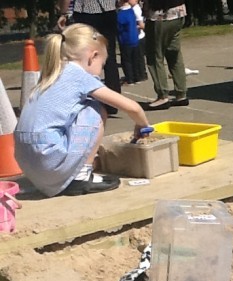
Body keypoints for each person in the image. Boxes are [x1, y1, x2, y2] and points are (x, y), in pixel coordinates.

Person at [14, 24, 151, 197]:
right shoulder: (79, 76)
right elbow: (132, 107)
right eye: (102, 65)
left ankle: (72, 173)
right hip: (48, 160)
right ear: (93, 56)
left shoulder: (51, 73)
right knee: (96, 109)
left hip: (28, 164)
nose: (100, 72)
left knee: (80, 107)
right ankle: (80, 176)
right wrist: (142, 125)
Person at [57, 0, 121, 115]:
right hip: (108, 11)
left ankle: (86, 98)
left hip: (86, 12)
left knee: (85, 55)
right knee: (110, 57)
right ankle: (113, 102)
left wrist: (63, 13)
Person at [144, 0, 190, 110]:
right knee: (174, 52)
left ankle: (162, 95)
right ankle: (181, 93)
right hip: (179, 12)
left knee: (155, 55)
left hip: (160, 14)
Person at [117, 0, 140, 85]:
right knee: (135, 59)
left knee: (127, 61)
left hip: (126, 40)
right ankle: (137, 77)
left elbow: (119, 28)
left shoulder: (121, 14)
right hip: (134, 38)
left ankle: (130, 79)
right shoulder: (132, 11)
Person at [132, 0, 148, 83]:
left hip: (140, 36)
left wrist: (133, 27)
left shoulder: (136, 9)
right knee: (135, 57)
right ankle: (137, 74)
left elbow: (142, 25)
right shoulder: (130, 8)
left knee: (139, 57)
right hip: (135, 37)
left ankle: (142, 75)